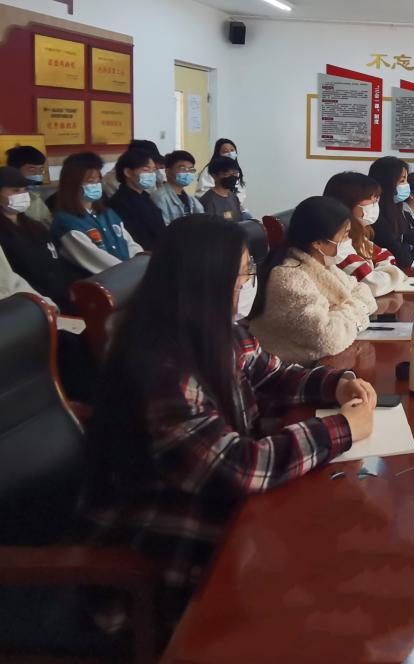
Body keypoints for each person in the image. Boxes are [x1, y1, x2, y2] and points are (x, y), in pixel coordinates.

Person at [83, 214, 376, 629]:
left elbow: (273, 375)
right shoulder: (161, 367)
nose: (248, 282)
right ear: (205, 280)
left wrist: (337, 383)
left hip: (224, 511)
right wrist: (342, 429)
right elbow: (241, 467)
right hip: (162, 547)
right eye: (241, 273)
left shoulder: (222, 330)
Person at [249, 196, 377, 365]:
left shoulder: (323, 265)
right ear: (318, 243)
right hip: (295, 372)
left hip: (326, 363)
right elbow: (329, 338)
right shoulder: (288, 277)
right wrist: (355, 310)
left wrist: (339, 313)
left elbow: (364, 293)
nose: (348, 241)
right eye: (345, 235)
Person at [0, 166, 81, 311]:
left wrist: (71, 287)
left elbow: (56, 259)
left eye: (24, 190)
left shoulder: (36, 226)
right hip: (31, 303)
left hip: (60, 295)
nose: (22, 195)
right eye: (15, 191)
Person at [51, 152, 143, 274]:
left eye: (98, 181)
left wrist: (141, 262)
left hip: (130, 274)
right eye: (91, 181)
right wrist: (131, 271)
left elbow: (129, 244)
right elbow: (98, 260)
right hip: (102, 280)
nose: (96, 186)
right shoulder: (66, 222)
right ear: (73, 184)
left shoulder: (107, 213)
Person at [323, 171, 407, 296]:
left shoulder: (360, 235)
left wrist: (384, 273)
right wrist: (396, 274)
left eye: (376, 200)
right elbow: (371, 284)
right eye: (371, 200)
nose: (375, 205)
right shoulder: (337, 243)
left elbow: (386, 256)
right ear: (347, 203)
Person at [367, 156, 414, 268]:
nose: (407, 185)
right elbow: (401, 256)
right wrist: (410, 248)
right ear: (387, 182)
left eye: (406, 180)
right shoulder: (373, 214)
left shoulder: (397, 207)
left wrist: (408, 247)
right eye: (402, 181)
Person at [108, 149, 167, 250]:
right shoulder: (119, 203)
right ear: (128, 172)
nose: (152, 174)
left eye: (153, 170)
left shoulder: (146, 197)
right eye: (146, 170)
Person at [150, 150, 204, 225]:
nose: (187, 173)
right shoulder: (160, 198)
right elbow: (163, 228)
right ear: (168, 171)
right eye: (182, 168)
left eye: (191, 169)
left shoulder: (192, 200)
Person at [5, 145, 53, 227]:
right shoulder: (9, 200)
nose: (37, 174)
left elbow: (48, 224)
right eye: (31, 169)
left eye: (41, 170)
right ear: (14, 170)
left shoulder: (34, 197)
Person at [198, 156, 250, 221]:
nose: (232, 176)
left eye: (234, 173)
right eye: (227, 173)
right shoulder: (208, 200)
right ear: (214, 176)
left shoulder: (233, 197)